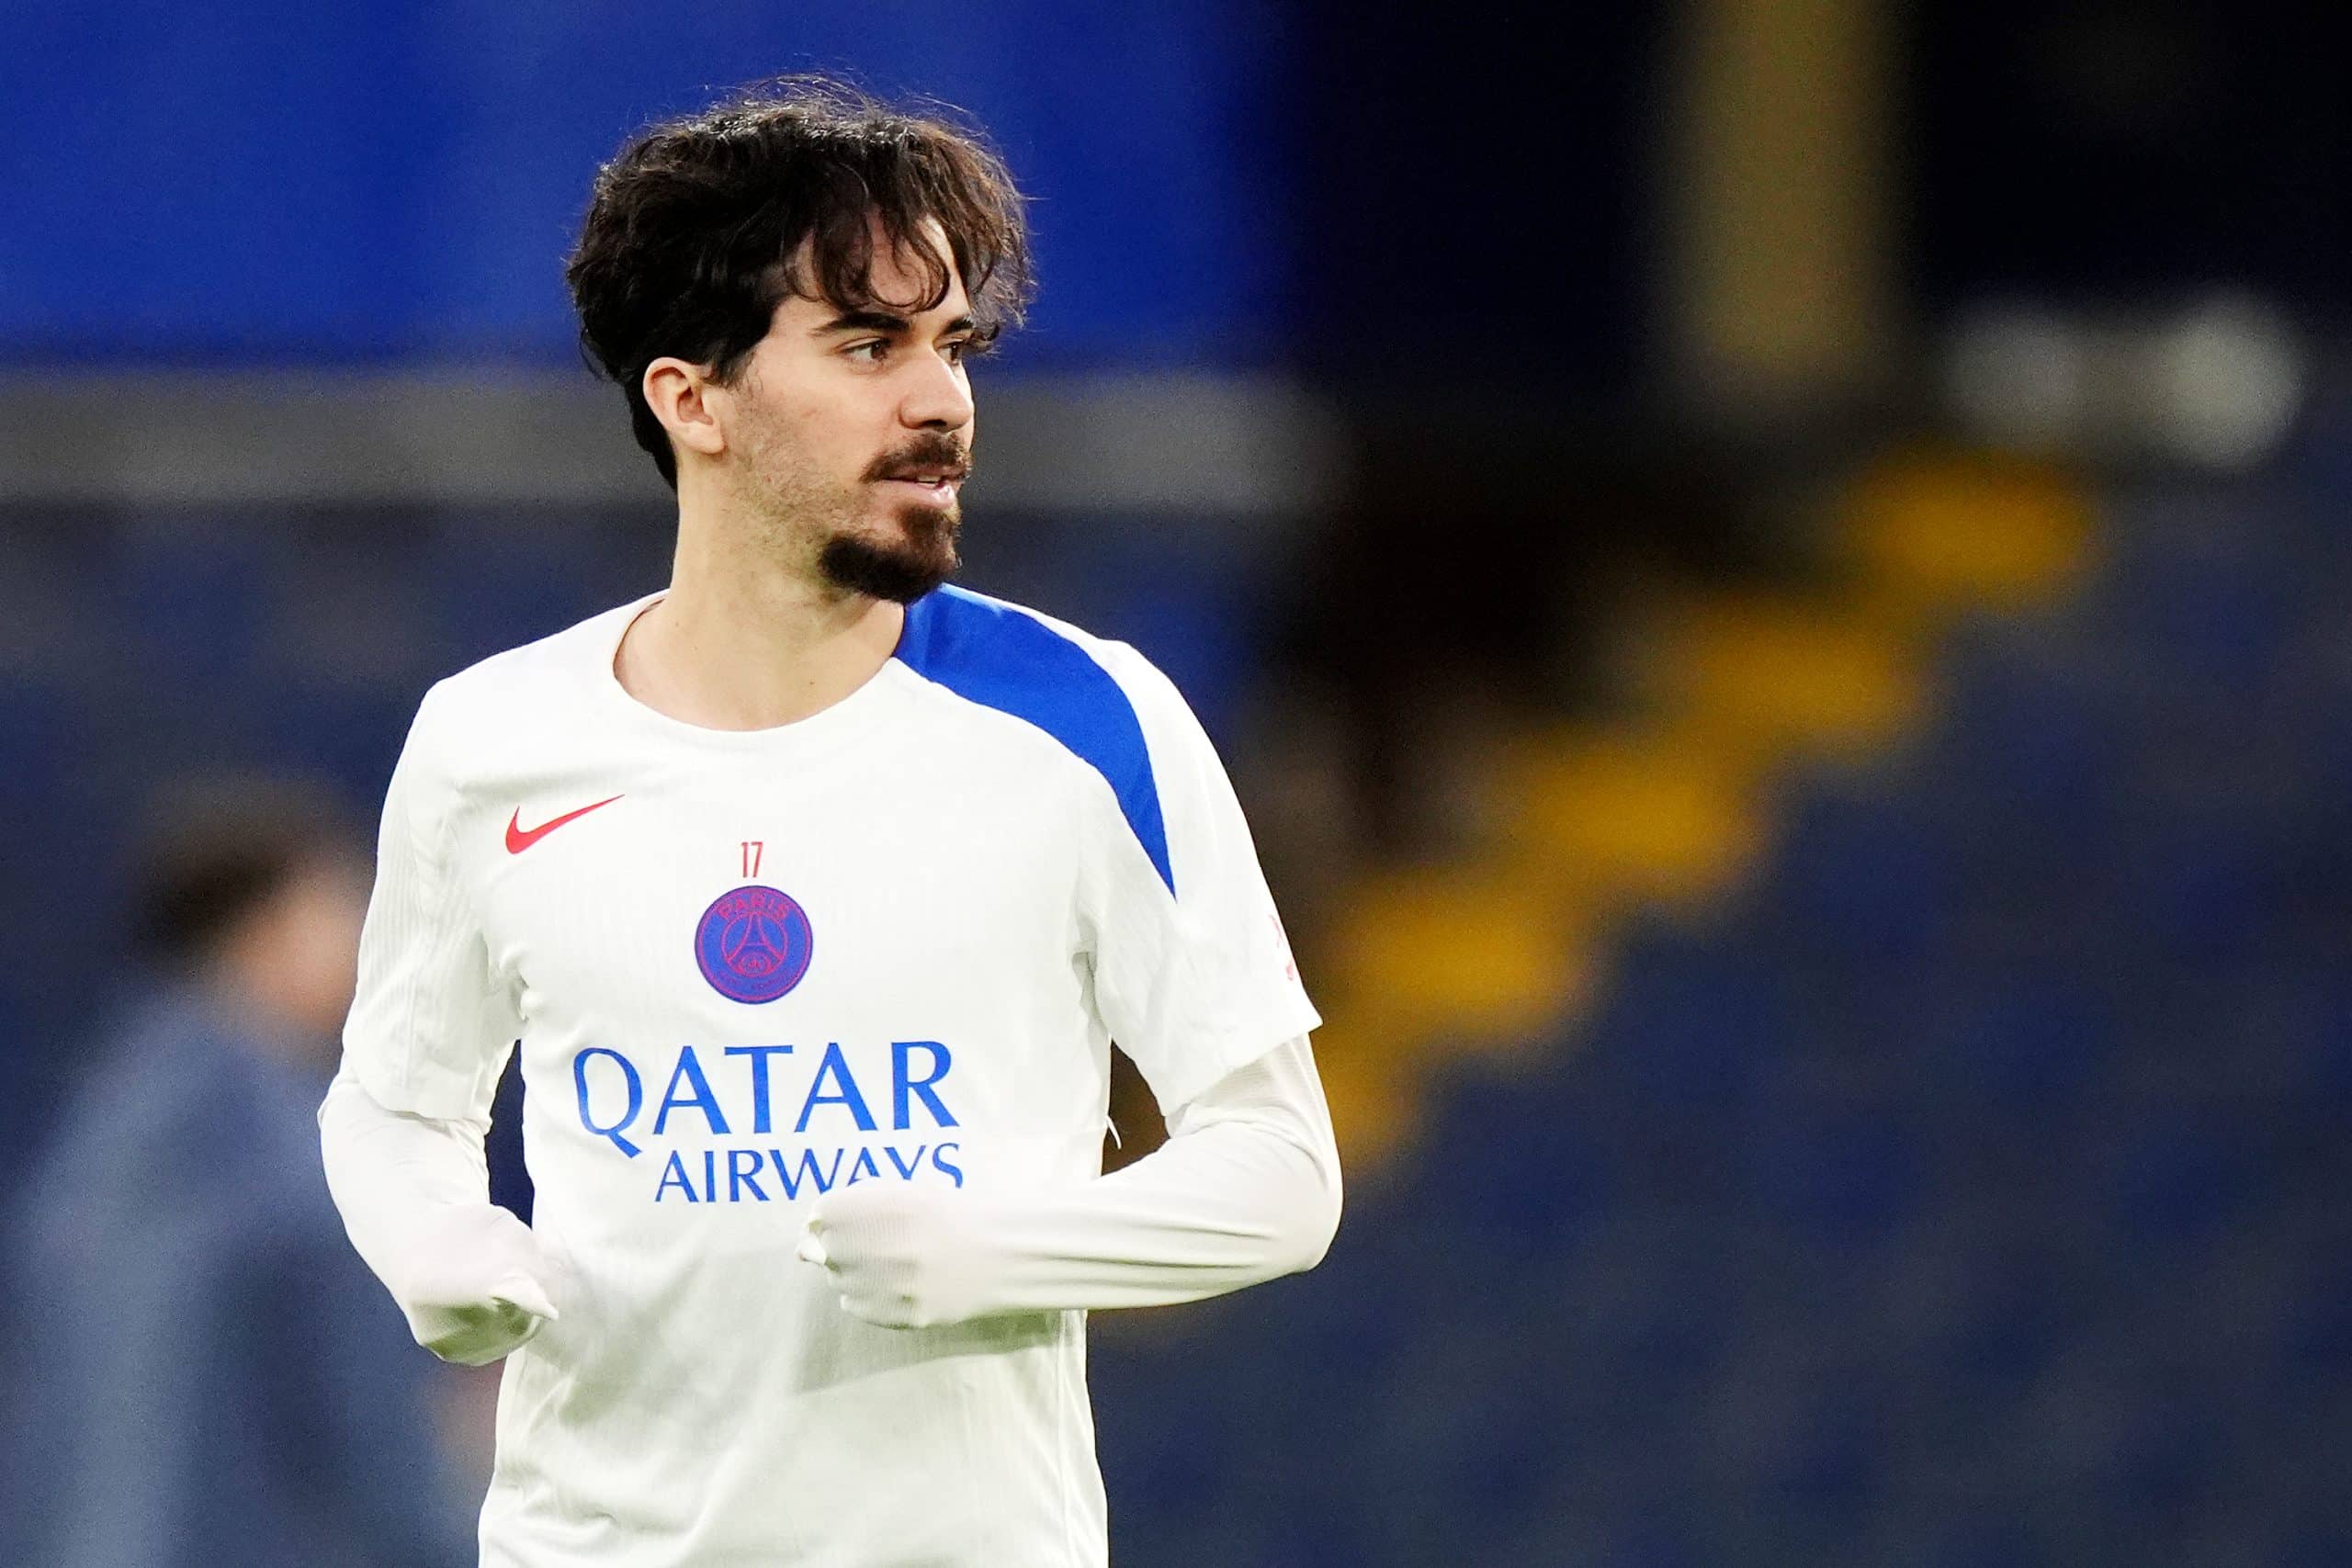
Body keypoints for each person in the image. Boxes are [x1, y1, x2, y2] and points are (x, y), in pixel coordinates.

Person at [318, 76, 1342, 1566]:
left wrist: (997, 1246)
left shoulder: (1089, 720)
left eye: (953, 346)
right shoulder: (491, 741)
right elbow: (394, 1102)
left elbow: (1281, 1168)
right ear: (692, 399)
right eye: (869, 345)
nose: (942, 403)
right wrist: (435, 1233)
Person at [6, 780, 479, 1568]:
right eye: (345, 909)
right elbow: (376, 1455)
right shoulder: (299, 1162)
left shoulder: (89, 1149)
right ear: (273, 926)